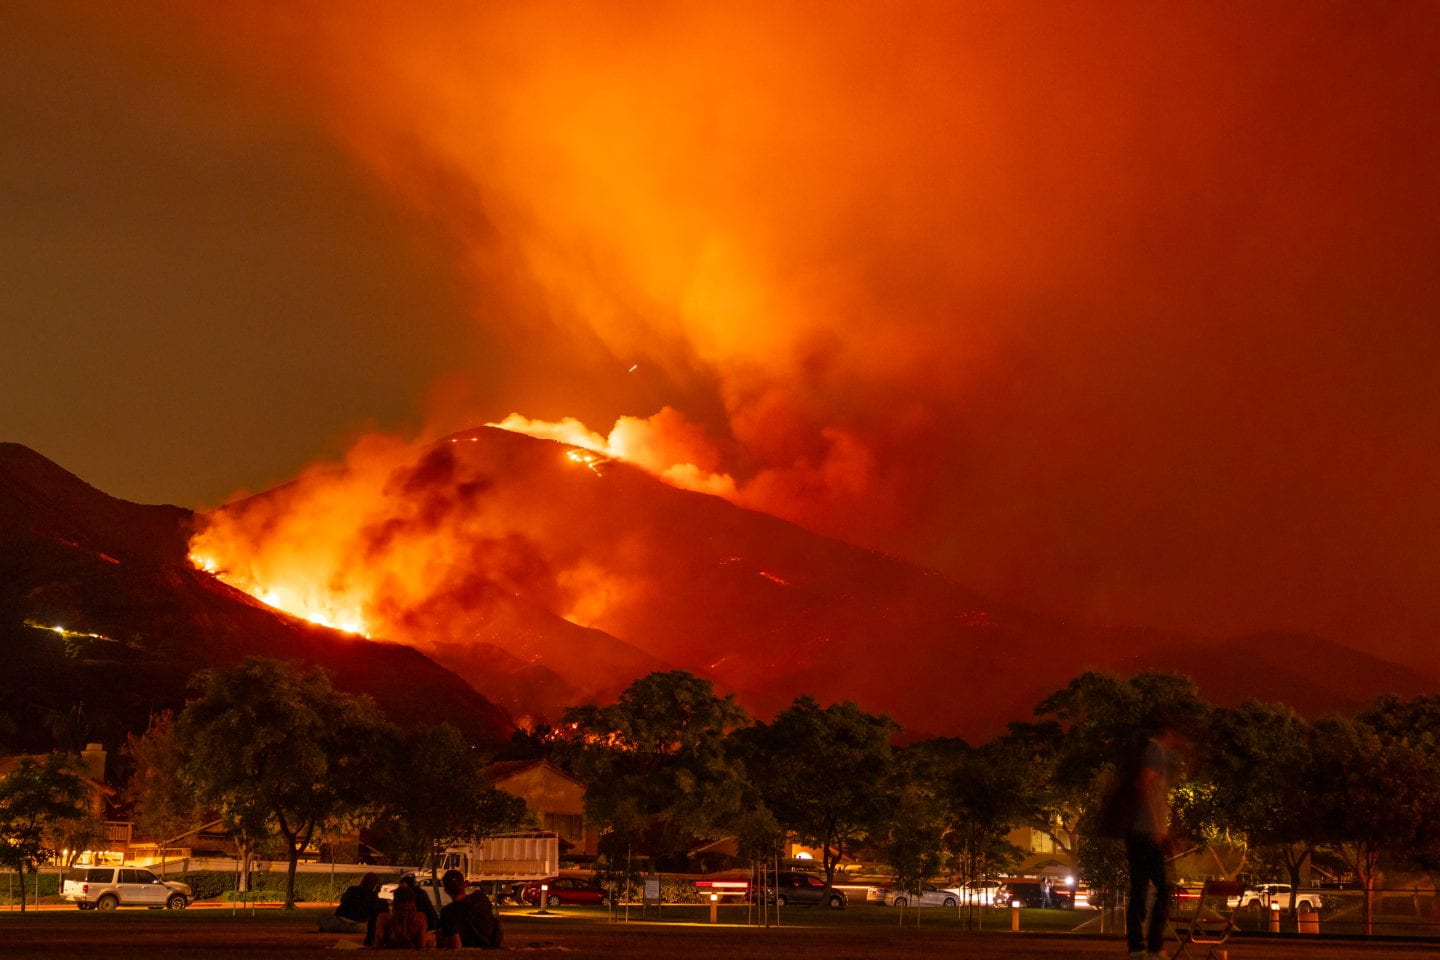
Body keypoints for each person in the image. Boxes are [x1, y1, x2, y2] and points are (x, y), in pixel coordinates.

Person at [1110, 720, 1186, 960]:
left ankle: (1137, 947)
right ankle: (1153, 946)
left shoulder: (1148, 750)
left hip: (1140, 831)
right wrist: (1156, 824)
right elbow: (1144, 783)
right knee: (1162, 889)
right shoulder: (1156, 750)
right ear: (1168, 731)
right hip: (1146, 832)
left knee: (1141, 888)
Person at [438, 869, 503, 949]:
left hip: (469, 944)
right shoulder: (480, 898)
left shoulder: (447, 913)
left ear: (446, 890)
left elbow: (454, 943)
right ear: (465, 884)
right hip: (490, 943)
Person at [320, 872, 385, 939]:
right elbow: (373, 912)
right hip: (358, 926)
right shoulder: (372, 895)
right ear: (374, 884)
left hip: (339, 922)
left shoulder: (351, 889)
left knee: (324, 919)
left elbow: (343, 901)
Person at [374, 884, 433, 949]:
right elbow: (421, 944)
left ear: (395, 902)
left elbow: (378, 943)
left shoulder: (383, 919)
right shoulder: (419, 919)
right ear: (413, 903)